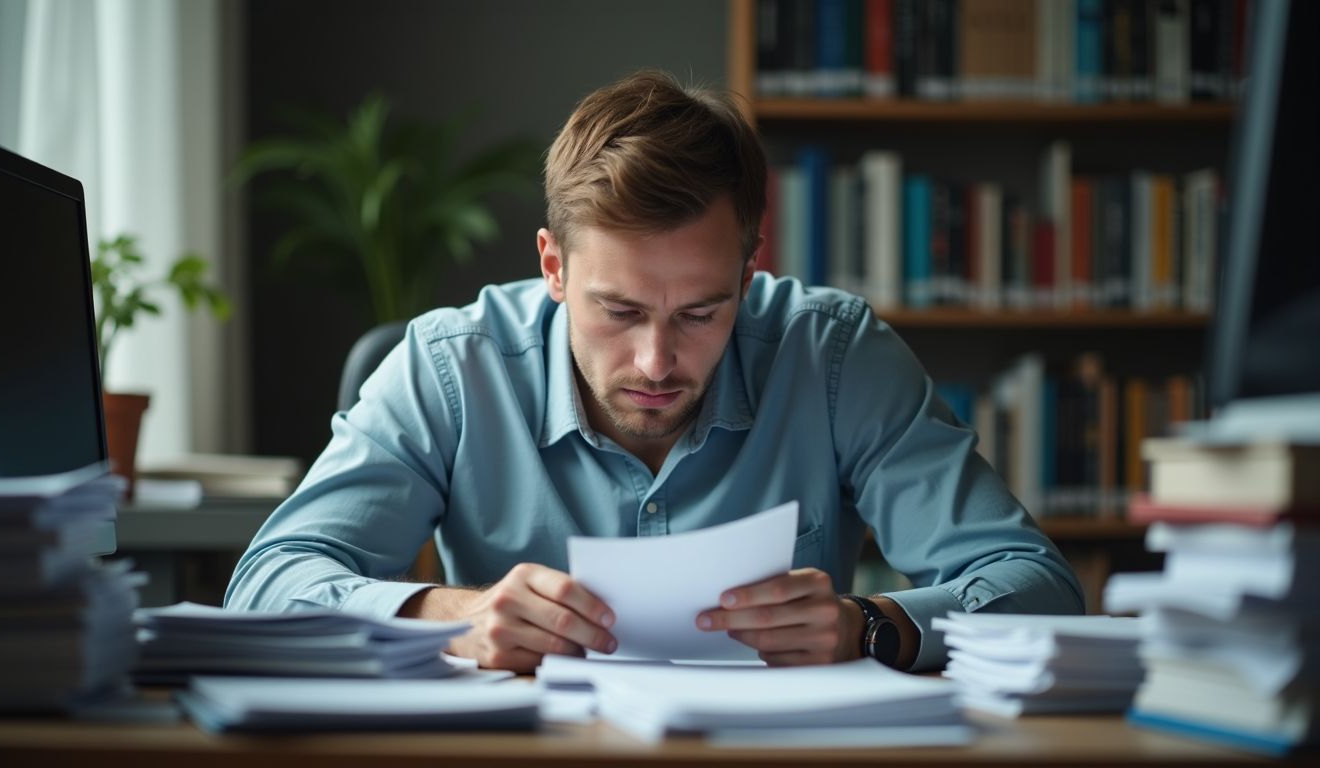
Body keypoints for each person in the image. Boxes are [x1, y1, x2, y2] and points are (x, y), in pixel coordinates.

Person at [226, 70, 1083, 673]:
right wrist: (448, 614)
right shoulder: (453, 366)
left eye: (702, 312)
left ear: (749, 271)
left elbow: (1037, 586)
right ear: (552, 267)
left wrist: (873, 626)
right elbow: (267, 585)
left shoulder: (833, 356)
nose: (656, 362)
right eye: (620, 310)